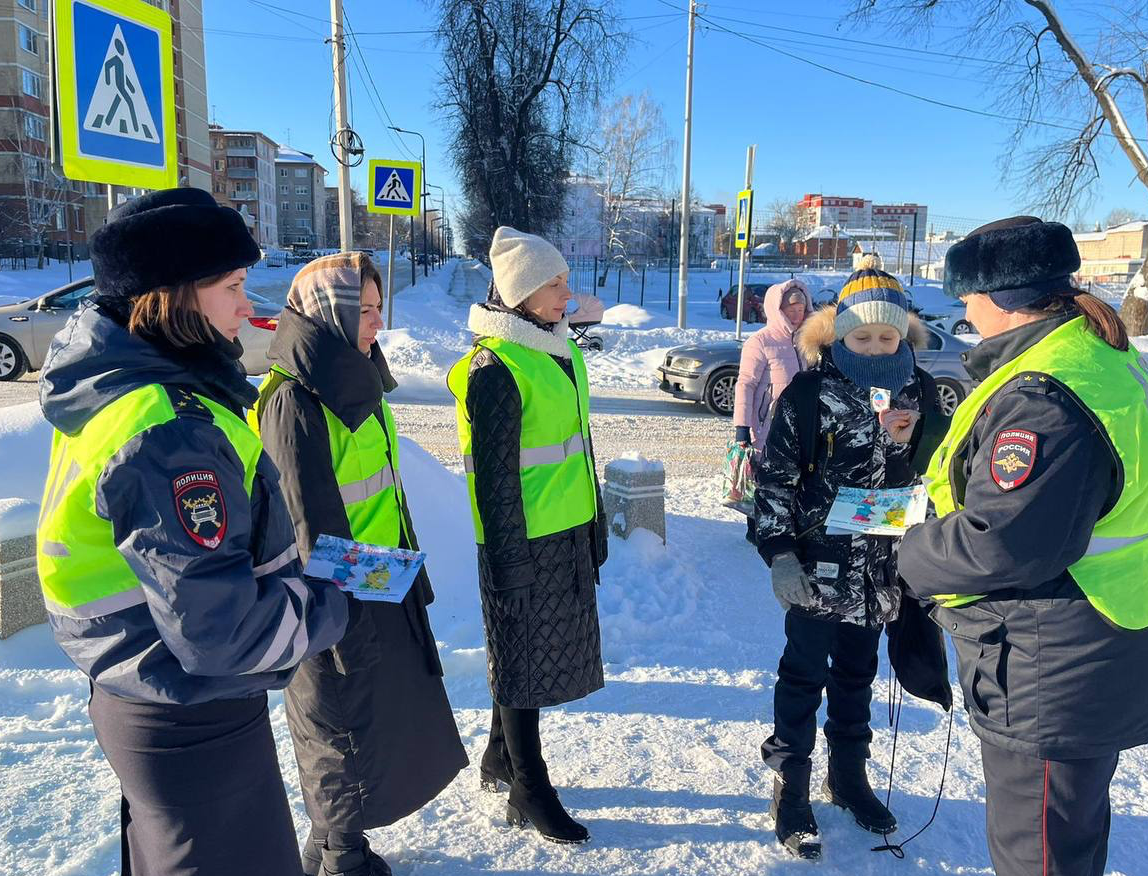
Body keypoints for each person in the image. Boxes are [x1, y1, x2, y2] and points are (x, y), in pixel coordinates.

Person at [34, 188, 349, 875]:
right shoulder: (169, 425)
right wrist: (329, 601)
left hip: (142, 686)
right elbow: (220, 633)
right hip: (184, 710)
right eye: (233, 286)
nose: (248, 305)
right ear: (172, 296)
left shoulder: (123, 387)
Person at [886, 217, 1148, 876]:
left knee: (1040, 851)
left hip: (1051, 663)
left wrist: (909, 553)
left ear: (999, 296)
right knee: (1067, 833)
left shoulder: (1047, 395)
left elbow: (1004, 543)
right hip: (1094, 641)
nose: (962, 311)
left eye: (966, 297)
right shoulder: (1094, 358)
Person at [251, 253, 468, 876]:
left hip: (372, 587)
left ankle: (327, 851)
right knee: (337, 733)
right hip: (329, 602)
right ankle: (343, 857)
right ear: (330, 314)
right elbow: (306, 533)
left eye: (379, 309)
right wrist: (384, 582)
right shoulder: (294, 401)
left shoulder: (354, 380)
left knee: (367, 727)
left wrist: (400, 579)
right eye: (364, 310)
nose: (377, 323)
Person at [753, 256, 942, 859]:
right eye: (863, 335)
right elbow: (776, 480)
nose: (877, 345)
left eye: (889, 336)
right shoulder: (809, 392)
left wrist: (912, 444)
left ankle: (849, 775)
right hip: (817, 566)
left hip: (880, 569)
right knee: (804, 674)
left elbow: (935, 474)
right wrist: (780, 554)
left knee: (858, 673)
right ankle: (792, 784)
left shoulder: (920, 389)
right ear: (838, 333)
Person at [446, 227, 608, 845]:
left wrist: (592, 527)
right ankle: (528, 785)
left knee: (531, 657)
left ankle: (496, 756)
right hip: (521, 541)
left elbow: (579, 447)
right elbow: (494, 482)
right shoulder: (495, 368)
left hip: (565, 533)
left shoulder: (557, 350)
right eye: (555, 283)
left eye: (565, 280)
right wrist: (509, 562)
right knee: (520, 662)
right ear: (520, 293)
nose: (568, 293)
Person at [733, 279, 812, 543]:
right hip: (767, 423)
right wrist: (742, 429)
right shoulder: (761, 342)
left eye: (801, 308)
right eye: (790, 309)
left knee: (795, 477)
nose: (796, 313)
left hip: (803, 423)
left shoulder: (810, 341)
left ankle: (788, 526)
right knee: (762, 478)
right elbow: (745, 384)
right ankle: (755, 528)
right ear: (777, 309)